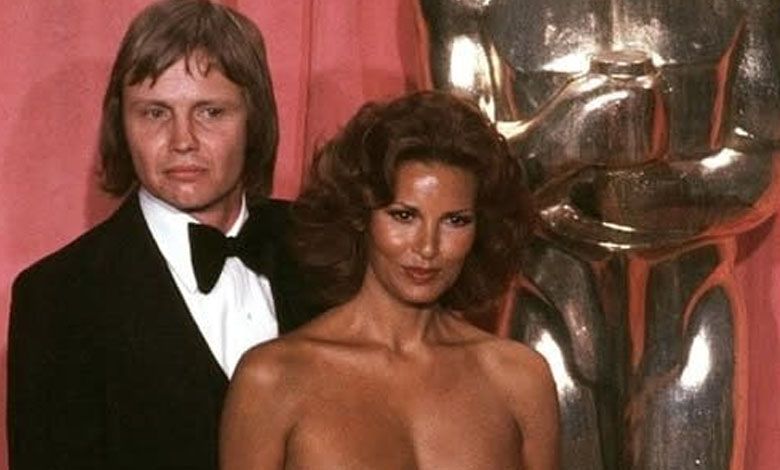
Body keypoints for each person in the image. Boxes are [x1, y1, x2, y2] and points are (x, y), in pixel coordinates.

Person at [7, 1, 318, 469]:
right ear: (121, 123)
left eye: (211, 112)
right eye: (155, 113)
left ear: (254, 119)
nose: (182, 140)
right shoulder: (57, 297)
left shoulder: (327, 247)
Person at [220, 91, 560, 470]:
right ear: (360, 215)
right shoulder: (273, 379)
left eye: (455, 221)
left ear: (482, 228)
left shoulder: (519, 378)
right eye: (403, 216)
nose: (427, 247)